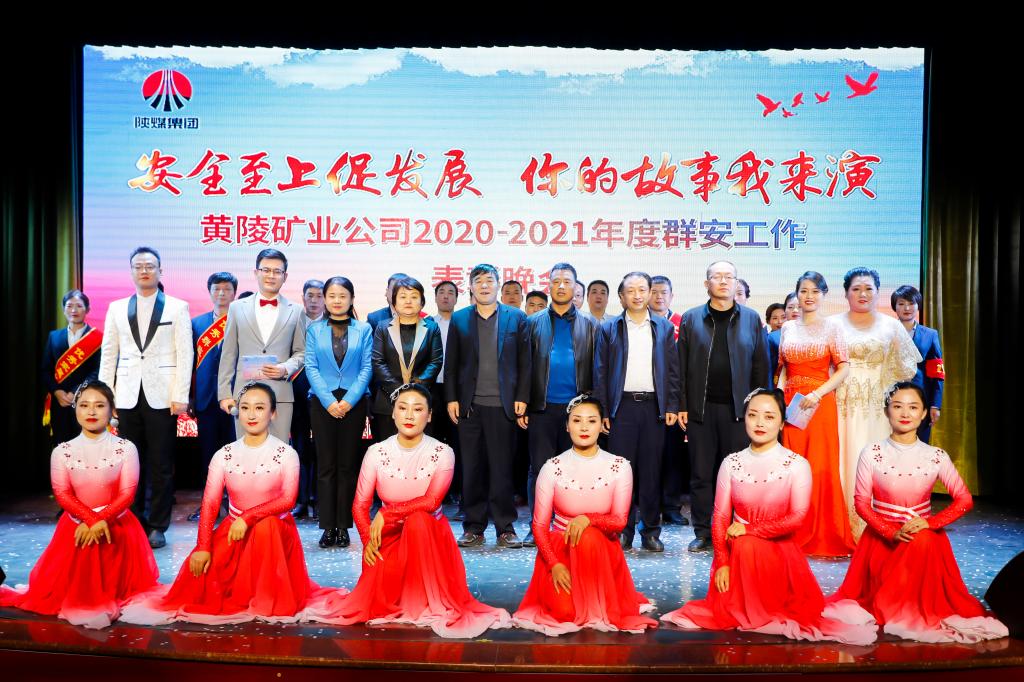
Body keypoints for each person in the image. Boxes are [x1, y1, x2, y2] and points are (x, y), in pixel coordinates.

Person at [661, 389, 877, 645]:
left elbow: (797, 518)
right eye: (753, 415)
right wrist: (722, 563)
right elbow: (720, 517)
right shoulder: (731, 462)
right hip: (738, 557)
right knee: (744, 545)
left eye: (769, 416)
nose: (760, 423)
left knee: (747, 543)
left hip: (779, 554)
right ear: (744, 418)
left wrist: (750, 530)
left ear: (782, 423)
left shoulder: (796, 464)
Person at [303, 384, 511, 638]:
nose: (409, 415)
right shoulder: (376, 452)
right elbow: (360, 505)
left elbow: (431, 502)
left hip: (428, 537)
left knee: (418, 519)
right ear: (393, 413)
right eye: (403, 408)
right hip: (389, 536)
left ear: (429, 415)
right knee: (374, 598)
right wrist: (369, 543)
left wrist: (387, 514)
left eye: (418, 409)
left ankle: (425, 598)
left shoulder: (442, 453)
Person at [119, 382, 329, 625]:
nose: (251, 415)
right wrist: (203, 547)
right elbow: (210, 503)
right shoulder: (224, 454)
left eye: (260, 408)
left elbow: (287, 500)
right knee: (200, 584)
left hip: (274, 532)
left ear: (273, 413)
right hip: (235, 531)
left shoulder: (286, 453)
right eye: (245, 407)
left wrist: (248, 518)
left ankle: (268, 594)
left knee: (266, 527)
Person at [830, 383, 1007, 643]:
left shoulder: (936, 455)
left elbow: (964, 499)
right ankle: (894, 605)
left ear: (924, 413)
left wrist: (930, 523)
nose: (905, 413)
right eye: (897, 406)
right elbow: (862, 503)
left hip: (923, 537)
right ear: (886, 411)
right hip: (882, 541)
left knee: (922, 541)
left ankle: (906, 607)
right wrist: (890, 532)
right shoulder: (872, 452)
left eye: (913, 407)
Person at [0, 381, 159, 629]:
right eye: (84, 405)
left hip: (116, 527)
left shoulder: (126, 448)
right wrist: (90, 520)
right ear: (75, 409)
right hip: (76, 527)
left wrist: (99, 520)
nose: (91, 411)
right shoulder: (62, 451)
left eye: (99, 405)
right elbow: (62, 494)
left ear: (113, 410)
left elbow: (127, 495)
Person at [513, 396, 657, 635]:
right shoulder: (552, 467)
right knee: (565, 613)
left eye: (591, 421)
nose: (584, 427)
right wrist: (554, 564)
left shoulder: (619, 466)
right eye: (577, 420)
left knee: (589, 535)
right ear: (567, 425)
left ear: (602, 425)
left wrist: (589, 519)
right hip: (562, 552)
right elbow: (539, 526)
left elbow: (619, 521)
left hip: (600, 552)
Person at [98, 246, 192, 549]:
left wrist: (180, 395)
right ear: (131, 272)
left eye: (150, 266)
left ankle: (157, 525)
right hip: (126, 395)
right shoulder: (116, 308)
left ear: (160, 271)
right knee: (129, 463)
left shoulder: (177, 307)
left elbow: (185, 353)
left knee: (161, 464)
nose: (144, 271)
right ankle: (134, 520)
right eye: (138, 266)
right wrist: (105, 398)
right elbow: (109, 354)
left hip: (163, 395)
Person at [679, 262, 770, 553]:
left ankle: (736, 528)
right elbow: (680, 367)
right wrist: (682, 405)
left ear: (736, 282)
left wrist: (759, 406)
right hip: (701, 409)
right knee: (701, 474)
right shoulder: (691, 318)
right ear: (706, 284)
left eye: (728, 276)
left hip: (739, 411)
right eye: (716, 277)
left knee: (738, 474)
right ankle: (704, 532)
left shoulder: (751, 319)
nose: (723, 281)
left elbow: (761, 365)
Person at [444, 264, 531, 548]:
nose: (484, 285)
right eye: (478, 281)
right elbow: (452, 364)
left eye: (489, 280)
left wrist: (522, 397)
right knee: (472, 469)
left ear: (498, 285)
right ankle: (474, 527)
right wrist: (452, 398)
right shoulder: (460, 319)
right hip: (469, 406)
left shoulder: (516, 317)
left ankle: (505, 527)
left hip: (504, 406)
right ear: (470, 287)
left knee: (502, 469)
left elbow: (525, 362)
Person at [594, 272, 679, 552]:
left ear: (650, 293)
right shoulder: (610, 328)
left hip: (654, 407)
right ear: (622, 296)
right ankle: (622, 529)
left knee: (652, 472)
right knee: (622, 472)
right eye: (631, 290)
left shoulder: (663, 327)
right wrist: (603, 410)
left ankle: (651, 531)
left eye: (643, 289)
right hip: (622, 407)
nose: (638, 295)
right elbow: (601, 371)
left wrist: (672, 405)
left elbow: (673, 370)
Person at [834, 268, 920, 538]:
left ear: (878, 292)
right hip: (841, 404)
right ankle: (843, 525)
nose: (863, 294)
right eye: (856, 288)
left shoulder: (891, 326)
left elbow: (906, 369)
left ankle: (879, 527)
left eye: (869, 288)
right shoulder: (832, 324)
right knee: (843, 459)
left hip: (877, 406)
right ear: (846, 293)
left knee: (876, 460)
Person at [777, 272, 855, 557]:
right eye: (803, 291)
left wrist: (818, 394)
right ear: (797, 294)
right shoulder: (787, 327)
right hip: (792, 406)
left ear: (823, 295)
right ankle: (792, 530)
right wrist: (779, 402)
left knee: (820, 467)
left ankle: (823, 533)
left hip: (820, 405)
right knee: (792, 467)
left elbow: (844, 368)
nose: (808, 296)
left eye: (814, 291)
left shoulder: (833, 327)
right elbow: (782, 369)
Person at [520, 263, 597, 547]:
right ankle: (538, 527)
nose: (561, 286)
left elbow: (597, 367)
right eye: (556, 281)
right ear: (549, 285)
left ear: (576, 287)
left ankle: (572, 524)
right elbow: (524, 365)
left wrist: (594, 405)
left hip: (577, 410)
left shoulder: (590, 324)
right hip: (542, 406)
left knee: (576, 468)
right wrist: (523, 401)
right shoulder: (533, 322)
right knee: (540, 469)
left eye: (567, 281)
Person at [305, 276, 374, 549]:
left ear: (352, 299)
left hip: (353, 403)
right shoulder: (314, 330)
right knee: (326, 466)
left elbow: (367, 368)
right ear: (325, 298)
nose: (337, 300)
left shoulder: (364, 329)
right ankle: (327, 527)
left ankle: (343, 526)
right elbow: (311, 367)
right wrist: (328, 401)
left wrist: (349, 401)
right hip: (322, 403)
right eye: (331, 295)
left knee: (347, 466)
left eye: (342, 296)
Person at [217, 248, 305, 443]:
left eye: (277, 271)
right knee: (245, 452)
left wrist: (285, 368)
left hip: (281, 396)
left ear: (285, 276)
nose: (271, 275)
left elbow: (302, 352)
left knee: (278, 452)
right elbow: (228, 353)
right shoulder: (236, 307)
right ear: (256, 272)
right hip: (244, 395)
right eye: (266, 270)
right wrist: (224, 394)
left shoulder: (297, 310)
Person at [188, 272, 238, 523]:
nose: (221, 293)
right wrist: (189, 396)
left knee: (234, 453)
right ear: (209, 292)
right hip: (206, 398)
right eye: (217, 289)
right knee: (207, 454)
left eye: (227, 289)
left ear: (234, 293)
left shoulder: (242, 321)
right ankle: (209, 504)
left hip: (235, 398)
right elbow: (189, 364)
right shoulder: (196, 324)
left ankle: (235, 504)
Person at [370, 276, 443, 441]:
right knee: (387, 451)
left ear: (422, 302)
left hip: (421, 401)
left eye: (414, 297)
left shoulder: (432, 328)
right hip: (387, 401)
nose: (408, 301)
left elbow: (436, 361)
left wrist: (416, 389)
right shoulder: (382, 327)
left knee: (421, 451)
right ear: (394, 301)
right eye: (403, 297)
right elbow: (378, 361)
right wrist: (398, 391)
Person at [649, 275, 688, 528]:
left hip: (674, 399)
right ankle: (648, 506)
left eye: (664, 292)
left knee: (673, 456)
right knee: (648, 456)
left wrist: (680, 403)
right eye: (654, 292)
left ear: (672, 296)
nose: (659, 297)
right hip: (647, 399)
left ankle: (672, 506)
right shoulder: (639, 322)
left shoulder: (682, 324)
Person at [41, 290, 102, 447]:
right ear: (63, 309)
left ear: (87, 310)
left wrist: (77, 391)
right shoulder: (54, 337)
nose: (74, 310)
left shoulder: (98, 338)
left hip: (87, 402)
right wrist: (57, 391)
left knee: (87, 447)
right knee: (62, 448)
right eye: (69, 306)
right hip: (60, 402)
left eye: (79, 306)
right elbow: (46, 370)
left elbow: (98, 370)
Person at [891, 285, 944, 443]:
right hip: (891, 397)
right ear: (894, 307)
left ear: (918, 306)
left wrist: (935, 405)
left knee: (919, 444)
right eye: (901, 304)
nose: (907, 308)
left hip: (920, 398)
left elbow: (937, 372)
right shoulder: (886, 332)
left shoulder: (930, 334)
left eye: (911, 303)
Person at [291, 279, 325, 518]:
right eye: (309, 295)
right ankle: (302, 500)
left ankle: (320, 500)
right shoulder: (291, 322)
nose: (314, 300)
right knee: (300, 448)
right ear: (303, 298)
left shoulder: (333, 324)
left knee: (323, 449)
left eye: (319, 296)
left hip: (324, 396)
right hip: (294, 394)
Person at [431, 281, 461, 510]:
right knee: (433, 439)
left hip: (457, 390)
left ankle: (456, 489)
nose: (446, 296)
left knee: (456, 441)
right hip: (432, 388)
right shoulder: (428, 324)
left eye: (451, 292)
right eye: (441, 292)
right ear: (435, 297)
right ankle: (435, 490)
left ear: (457, 298)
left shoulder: (463, 324)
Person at [767, 295, 794, 389]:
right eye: (775, 318)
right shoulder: (771, 337)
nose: (780, 321)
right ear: (768, 321)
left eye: (783, 317)